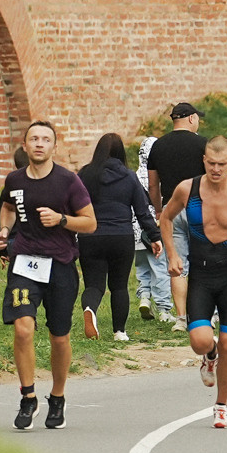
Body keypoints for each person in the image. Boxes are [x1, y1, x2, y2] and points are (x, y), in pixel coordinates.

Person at [0, 120, 97, 431]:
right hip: (24, 263)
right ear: (25, 146)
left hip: (61, 265)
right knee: (23, 329)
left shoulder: (68, 181)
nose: (39, 144)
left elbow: (90, 223)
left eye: (45, 139)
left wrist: (62, 219)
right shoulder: (14, 179)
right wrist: (4, 231)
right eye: (33, 139)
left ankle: (58, 396)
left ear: (55, 146)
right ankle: (28, 397)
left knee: (59, 337)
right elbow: (10, 208)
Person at [163, 136, 227, 429]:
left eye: (222, 164)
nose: (216, 169)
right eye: (211, 163)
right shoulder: (188, 189)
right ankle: (209, 357)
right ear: (204, 161)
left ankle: (221, 405)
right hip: (201, 275)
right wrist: (172, 254)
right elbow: (165, 218)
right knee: (200, 341)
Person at [77, 132, 159, 344]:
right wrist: (155, 237)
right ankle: (119, 332)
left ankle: (89, 309)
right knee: (119, 286)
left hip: (90, 236)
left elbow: (71, 206)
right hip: (121, 237)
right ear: (121, 152)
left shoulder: (85, 174)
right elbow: (142, 212)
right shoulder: (129, 176)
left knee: (94, 285)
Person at [146, 102, 210, 322]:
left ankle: (182, 318)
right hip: (199, 209)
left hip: (170, 211)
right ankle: (204, 316)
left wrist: (158, 211)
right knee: (204, 262)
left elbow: (153, 185)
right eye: (198, 118)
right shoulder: (203, 144)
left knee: (177, 265)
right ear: (191, 118)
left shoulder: (158, 146)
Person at [132, 133, 172, 318]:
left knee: (142, 268)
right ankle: (164, 308)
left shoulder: (132, 176)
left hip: (134, 232)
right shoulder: (157, 177)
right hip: (152, 231)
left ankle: (145, 298)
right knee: (160, 267)